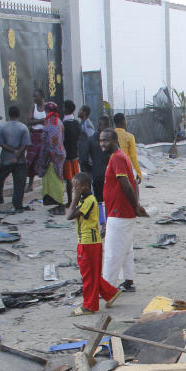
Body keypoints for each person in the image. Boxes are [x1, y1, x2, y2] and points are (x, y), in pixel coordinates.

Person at [100, 128, 147, 292]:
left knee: (112, 252)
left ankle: (107, 288)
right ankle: (128, 281)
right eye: (101, 140)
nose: (102, 143)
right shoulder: (118, 156)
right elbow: (131, 183)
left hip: (120, 212)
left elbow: (127, 184)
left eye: (105, 140)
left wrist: (135, 205)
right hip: (119, 211)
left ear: (114, 141)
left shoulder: (118, 157)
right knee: (126, 248)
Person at [66, 172, 119, 315]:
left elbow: (69, 215)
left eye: (75, 187)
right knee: (93, 274)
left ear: (83, 187)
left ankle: (89, 305)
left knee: (88, 275)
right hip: (87, 241)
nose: (73, 190)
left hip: (89, 242)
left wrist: (74, 197)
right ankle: (110, 293)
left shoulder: (89, 201)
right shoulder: (84, 200)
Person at [0, 105, 30, 210]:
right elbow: (25, 145)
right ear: (19, 115)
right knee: (20, 183)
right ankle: (17, 203)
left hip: (6, 159)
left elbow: (1, 143)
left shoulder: (3, 127)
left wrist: (12, 151)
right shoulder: (23, 127)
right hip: (20, 160)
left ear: (9, 115)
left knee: (1, 179)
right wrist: (17, 154)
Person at [39, 101, 66, 209]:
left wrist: (45, 156)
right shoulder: (59, 121)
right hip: (59, 153)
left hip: (52, 155)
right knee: (54, 178)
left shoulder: (50, 123)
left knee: (56, 180)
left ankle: (60, 205)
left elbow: (49, 142)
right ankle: (53, 201)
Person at [26, 89, 46, 191]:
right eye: (33, 96)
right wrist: (41, 121)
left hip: (44, 137)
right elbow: (29, 121)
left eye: (36, 96)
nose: (34, 98)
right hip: (34, 136)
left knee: (43, 160)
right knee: (31, 160)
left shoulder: (47, 107)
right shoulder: (33, 107)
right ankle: (30, 184)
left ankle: (45, 185)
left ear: (42, 97)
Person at [113, 113, 142, 186]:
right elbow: (133, 156)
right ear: (123, 121)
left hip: (113, 166)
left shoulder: (110, 135)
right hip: (126, 167)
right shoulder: (130, 137)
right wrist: (138, 172)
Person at [63, 100, 81, 204]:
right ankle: (77, 199)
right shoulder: (76, 123)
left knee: (69, 179)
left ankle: (70, 201)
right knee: (76, 178)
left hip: (67, 154)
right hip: (75, 154)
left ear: (66, 109)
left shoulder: (63, 123)